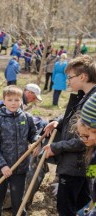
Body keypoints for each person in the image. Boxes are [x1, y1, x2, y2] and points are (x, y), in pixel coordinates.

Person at [43, 55, 96, 216]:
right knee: (83, 203)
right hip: (84, 166)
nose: (67, 81)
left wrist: (55, 147)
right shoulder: (85, 97)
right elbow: (74, 117)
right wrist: (58, 121)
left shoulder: (92, 103)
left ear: (83, 77)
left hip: (77, 166)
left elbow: (85, 139)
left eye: (70, 77)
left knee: (66, 208)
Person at [0, 83, 42, 208]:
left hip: (20, 167)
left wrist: (37, 140)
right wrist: (2, 166)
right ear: (3, 101)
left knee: (19, 201)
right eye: (9, 100)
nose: (13, 103)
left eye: (16, 100)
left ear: (21, 101)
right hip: (1, 168)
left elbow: (33, 134)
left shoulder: (27, 117)